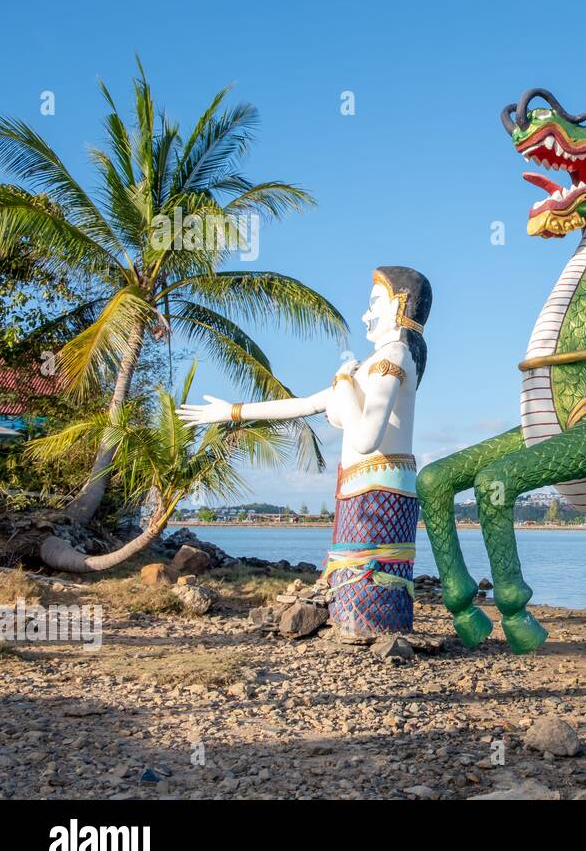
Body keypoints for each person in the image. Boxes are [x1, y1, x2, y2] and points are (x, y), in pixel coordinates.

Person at [179, 266, 431, 638]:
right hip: (367, 487)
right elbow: (304, 405)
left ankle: (368, 627)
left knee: (369, 573)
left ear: (400, 305)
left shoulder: (391, 357)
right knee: (356, 569)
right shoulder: (371, 366)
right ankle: (359, 624)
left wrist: (343, 382)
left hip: (378, 487)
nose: (365, 313)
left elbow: (365, 438)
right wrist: (232, 411)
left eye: (374, 302)